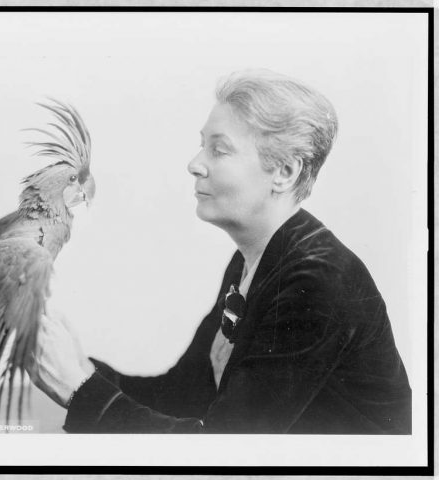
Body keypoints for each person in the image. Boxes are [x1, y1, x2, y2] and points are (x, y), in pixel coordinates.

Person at [26, 69, 412, 434]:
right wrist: (78, 367)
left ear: (285, 172)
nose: (194, 164)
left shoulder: (317, 281)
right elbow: (182, 396)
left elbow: (226, 448)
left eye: (219, 150)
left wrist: (78, 389)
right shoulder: (253, 260)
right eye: (202, 146)